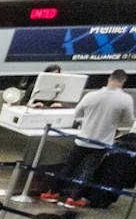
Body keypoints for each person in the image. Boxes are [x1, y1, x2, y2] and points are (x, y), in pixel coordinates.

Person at [48, 68, 134, 208]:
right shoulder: (125, 99)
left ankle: (53, 192)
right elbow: (128, 120)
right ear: (123, 81)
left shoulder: (91, 95)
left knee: (69, 166)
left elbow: (77, 113)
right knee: (87, 170)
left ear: (109, 79)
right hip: (101, 143)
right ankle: (73, 198)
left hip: (83, 138)